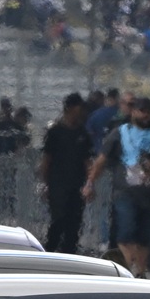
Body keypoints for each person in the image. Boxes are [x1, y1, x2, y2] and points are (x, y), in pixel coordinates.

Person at [84, 96, 150, 274]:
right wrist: (90, 183)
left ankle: (140, 273)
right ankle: (127, 270)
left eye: (149, 112)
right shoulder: (119, 133)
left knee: (144, 236)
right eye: (142, 111)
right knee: (126, 232)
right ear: (133, 112)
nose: (146, 115)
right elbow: (101, 160)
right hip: (125, 192)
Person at [40, 93, 93, 253]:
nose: (82, 111)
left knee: (74, 221)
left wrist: (90, 183)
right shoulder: (55, 132)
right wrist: (44, 183)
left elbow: (87, 161)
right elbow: (47, 159)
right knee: (59, 218)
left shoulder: (83, 134)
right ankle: (50, 249)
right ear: (70, 108)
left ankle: (69, 252)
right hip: (57, 184)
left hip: (76, 184)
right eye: (79, 107)